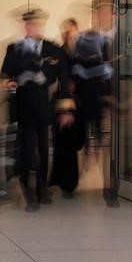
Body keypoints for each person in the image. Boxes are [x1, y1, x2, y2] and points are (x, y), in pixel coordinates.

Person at [0, 7, 75, 212]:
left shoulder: (54, 50)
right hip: (23, 108)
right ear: (25, 25)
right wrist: (10, 83)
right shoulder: (14, 49)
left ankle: (42, 188)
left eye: (36, 23)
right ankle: (28, 192)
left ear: (41, 25)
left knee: (43, 150)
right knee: (25, 151)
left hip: (45, 108)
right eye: (29, 23)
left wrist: (66, 110)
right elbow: (4, 76)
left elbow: (65, 81)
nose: (32, 27)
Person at [75, 0, 118, 207]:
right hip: (89, 99)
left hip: (113, 102)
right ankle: (85, 171)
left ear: (114, 15)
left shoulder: (125, 38)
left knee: (108, 146)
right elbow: (77, 68)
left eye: (104, 12)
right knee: (89, 142)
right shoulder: (85, 40)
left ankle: (110, 187)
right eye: (97, 12)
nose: (100, 16)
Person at [49, 19, 85, 199]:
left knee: (72, 142)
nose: (71, 35)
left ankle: (65, 181)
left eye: (73, 32)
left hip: (77, 104)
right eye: (68, 32)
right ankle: (66, 182)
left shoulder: (79, 53)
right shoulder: (59, 53)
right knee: (64, 143)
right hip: (64, 104)